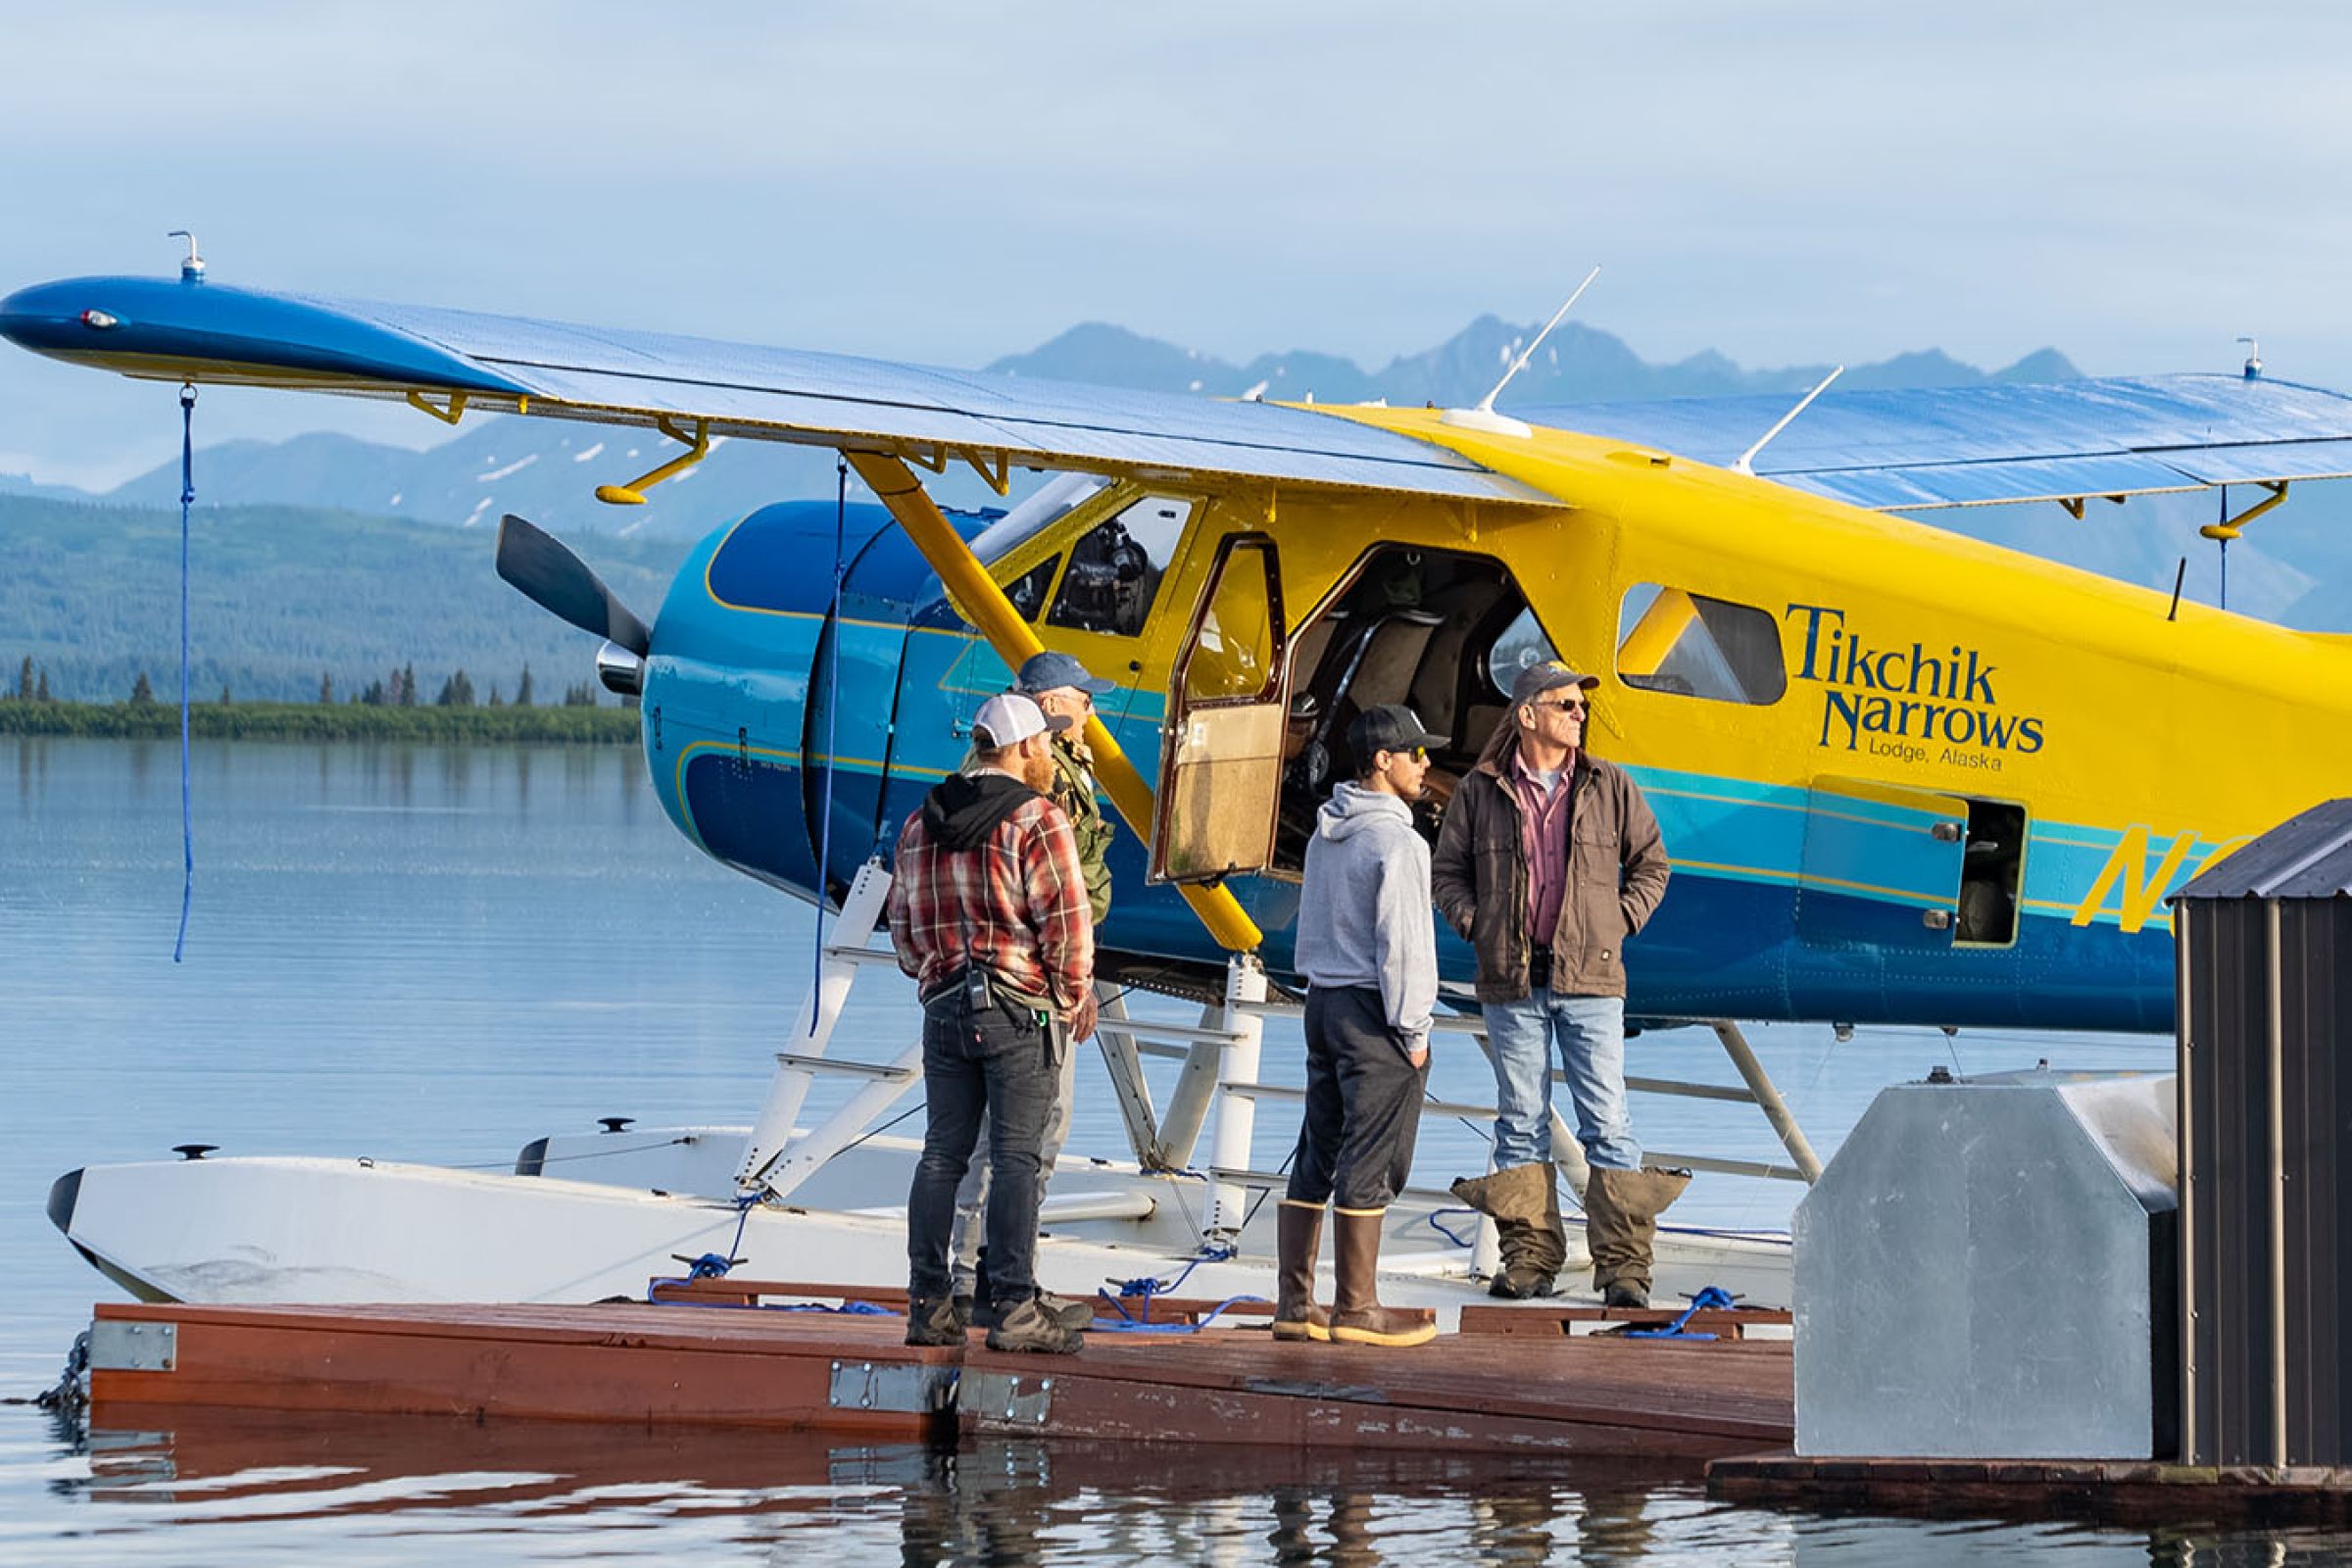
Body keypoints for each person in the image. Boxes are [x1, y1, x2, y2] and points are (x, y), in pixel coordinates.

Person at [1433, 662, 1681, 1307]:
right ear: (1528, 715)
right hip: (1510, 980)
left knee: (1609, 1122)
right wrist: (1476, 924)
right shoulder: (1480, 791)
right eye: (1566, 704)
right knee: (1519, 1122)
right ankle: (1529, 1262)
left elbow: (1652, 864)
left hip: (1592, 979)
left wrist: (1616, 922)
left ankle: (1624, 1270)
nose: (1579, 713)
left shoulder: (1609, 785)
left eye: (1580, 705)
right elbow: (1447, 873)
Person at [888, 691, 1099, 1353]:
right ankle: (1012, 1307)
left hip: (943, 1004)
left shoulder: (922, 822)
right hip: (1017, 1008)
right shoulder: (1038, 818)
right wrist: (1070, 996)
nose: (1050, 754)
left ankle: (930, 1305)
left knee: (942, 1154)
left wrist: (935, 973)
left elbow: (902, 930)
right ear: (1020, 748)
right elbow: (1066, 924)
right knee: (1016, 1158)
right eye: (1044, 744)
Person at [946, 650, 1117, 1326]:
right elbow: (1041, 887)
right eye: (1082, 697)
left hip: (1029, 973)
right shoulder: (1028, 788)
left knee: (1032, 1133)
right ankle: (980, 1281)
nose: (1092, 710)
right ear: (1048, 707)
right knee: (1011, 1137)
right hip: (1027, 981)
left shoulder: (1054, 771)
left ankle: (998, 1273)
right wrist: (1073, 984)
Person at [1276, 704, 1446, 1349]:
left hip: (1322, 1001)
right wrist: (1415, 1030)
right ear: (1383, 760)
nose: (1426, 765)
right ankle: (1358, 1308)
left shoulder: (1327, 832)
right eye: (1415, 753)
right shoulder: (1398, 841)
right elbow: (1401, 945)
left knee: (1319, 1145)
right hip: (1374, 1011)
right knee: (1371, 1155)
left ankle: (1296, 1304)